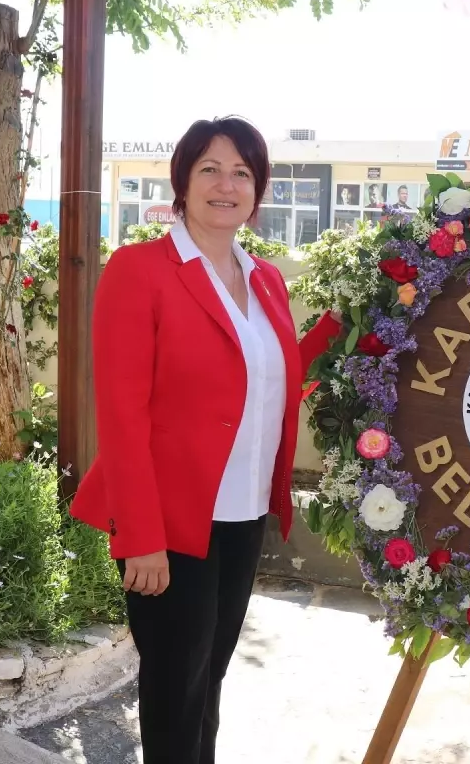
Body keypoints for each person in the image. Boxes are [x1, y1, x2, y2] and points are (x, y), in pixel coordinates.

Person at [69, 116, 342, 764]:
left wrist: (343, 323)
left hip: (243, 514)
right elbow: (122, 413)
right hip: (170, 520)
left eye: (242, 172)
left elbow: (271, 387)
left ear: (259, 188)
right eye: (211, 170)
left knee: (208, 682)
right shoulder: (140, 271)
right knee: (173, 691)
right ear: (183, 184)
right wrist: (140, 537)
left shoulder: (266, 280)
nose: (227, 184)